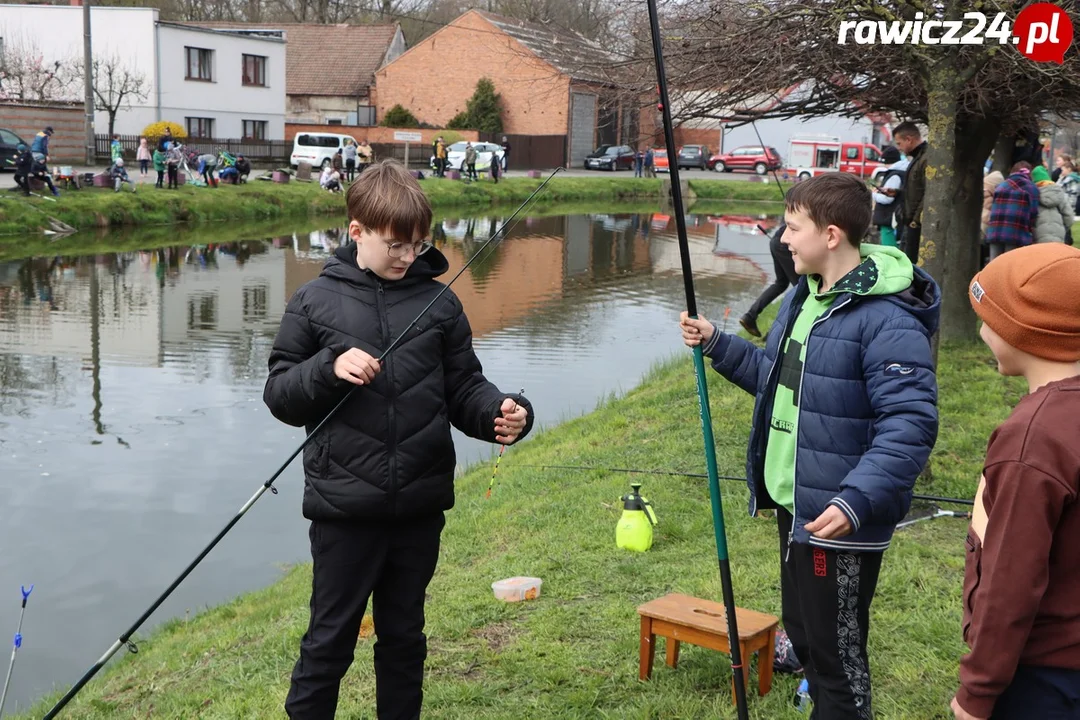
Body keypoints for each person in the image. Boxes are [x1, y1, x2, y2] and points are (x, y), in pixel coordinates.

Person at [264, 159, 534, 720]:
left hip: (418, 503)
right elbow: (280, 396)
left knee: (404, 638)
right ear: (356, 231)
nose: (409, 256)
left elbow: (465, 388)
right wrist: (329, 367)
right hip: (345, 508)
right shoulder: (312, 301)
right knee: (327, 643)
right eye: (396, 245)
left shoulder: (440, 302)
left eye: (417, 244)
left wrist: (503, 413)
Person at [680, 172, 939, 719]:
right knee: (804, 636)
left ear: (832, 235)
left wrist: (853, 502)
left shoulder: (888, 321)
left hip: (838, 515)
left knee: (836, 660)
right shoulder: (805, 297)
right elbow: (775, 379)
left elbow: (910, 423)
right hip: (798, 505)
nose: (782, 238)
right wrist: (717, 344)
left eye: (793, 227)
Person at [951, 243, 1080, 720]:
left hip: (1043, 677)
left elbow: (1010, 580)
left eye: (990, 319)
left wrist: (977, 694)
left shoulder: (1033, 437)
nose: (983, 330)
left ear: (1027, 332)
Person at [738, 221, 796, 337]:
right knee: (802, 289)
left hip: (776, 240)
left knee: (781, 283)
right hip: (784, 244)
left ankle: (750, 316)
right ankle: (775, 332)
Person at [984, 162, 1039, 261]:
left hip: (995, 230)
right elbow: (1033, 212)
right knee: (1010, 264)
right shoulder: (1031, 187)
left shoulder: (1001, 185)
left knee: (994, 264)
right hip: (1016, 232)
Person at [893, 121, 928, 264]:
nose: (899, 148)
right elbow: (915, 190)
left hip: (916, 223)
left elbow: (928, 193)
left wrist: (915, 220)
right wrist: (897, 192)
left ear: (909, 139)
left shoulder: (925, 158)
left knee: (911, 264)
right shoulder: (919, 157)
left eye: (899, 143)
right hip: (911, 221)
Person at [871, 145, 908, 247]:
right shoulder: (901, 172)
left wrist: (873, 195)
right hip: (893, 219)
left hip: (888, 219)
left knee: (889, 251)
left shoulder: (894, 175)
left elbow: (887, 198)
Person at [1031, 165, 1074, 244]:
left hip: (1038, 235)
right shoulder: (1059, 193)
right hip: (1059, 234)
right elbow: (1069, 217)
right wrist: (1063, 228)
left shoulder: (1033, 195)